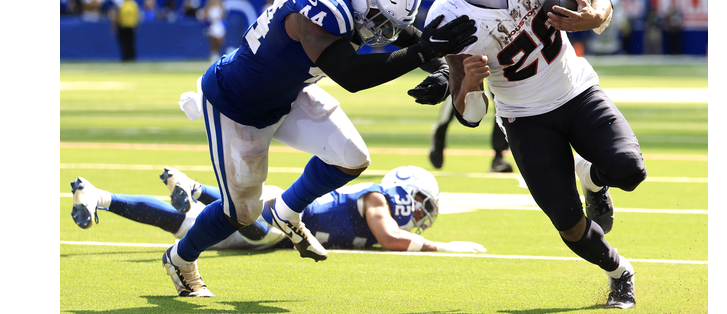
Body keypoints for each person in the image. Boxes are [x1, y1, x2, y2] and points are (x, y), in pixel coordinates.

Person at [163, 0, 477, 297]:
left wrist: (439, 68)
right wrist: (425, 52)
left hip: (288, 92)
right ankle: (180, 259)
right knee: (242, 214)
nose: (382, 29)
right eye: (379, 17)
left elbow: (404, 31)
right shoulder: (319, 5)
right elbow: (350, 74)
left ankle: (286, 211)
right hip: (238, 105)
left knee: (352, 157)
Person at [410, 0, 647, 309]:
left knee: (630, 171)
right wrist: (469, 84)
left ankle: (592, 178)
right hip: (524, 118)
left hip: (576, 89)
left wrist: (596, 16)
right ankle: (619, 272)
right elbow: (470, 115)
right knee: (569, 224)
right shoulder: (447, 15)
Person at [69, 167, 485, 260]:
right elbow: (392, 238)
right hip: (279, 215)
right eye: (421, 203)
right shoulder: (376, 198)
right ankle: (195, 189)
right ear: (405, 191)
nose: (420, 214)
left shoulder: (377, 203)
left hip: (273, 228)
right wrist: (443, 247)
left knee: (184, 225)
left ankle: (98, 196)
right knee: (256, 228)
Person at [421, 0, 517, 174]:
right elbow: (448, 6)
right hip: (472, 37)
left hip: (505, 37)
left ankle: (498, 155)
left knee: (502, 96)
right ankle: (441, 131)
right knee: (464, 85)